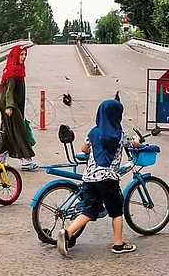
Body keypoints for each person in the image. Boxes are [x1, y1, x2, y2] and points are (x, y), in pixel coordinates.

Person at [57, 99, 140, 257]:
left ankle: (67, 233)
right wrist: (137, 140)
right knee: (116, 211)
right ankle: (118, 245)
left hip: (89, 178)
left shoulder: (93, 132)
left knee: (89, 211)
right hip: (108, 179)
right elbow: (134, 144)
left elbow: (84, 148)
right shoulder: (120, 134)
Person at [0, 44, 38, 171]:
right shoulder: (12, 72)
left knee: (7, 130)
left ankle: (1, 158)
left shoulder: (19, 69)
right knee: (18, 131)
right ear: (15, 55)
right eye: (21, 54)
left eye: (25, 54)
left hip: (13, 105)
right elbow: (9, 91)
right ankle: (25, 160)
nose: (24, 57)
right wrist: (9, 106)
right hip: (10, 106)